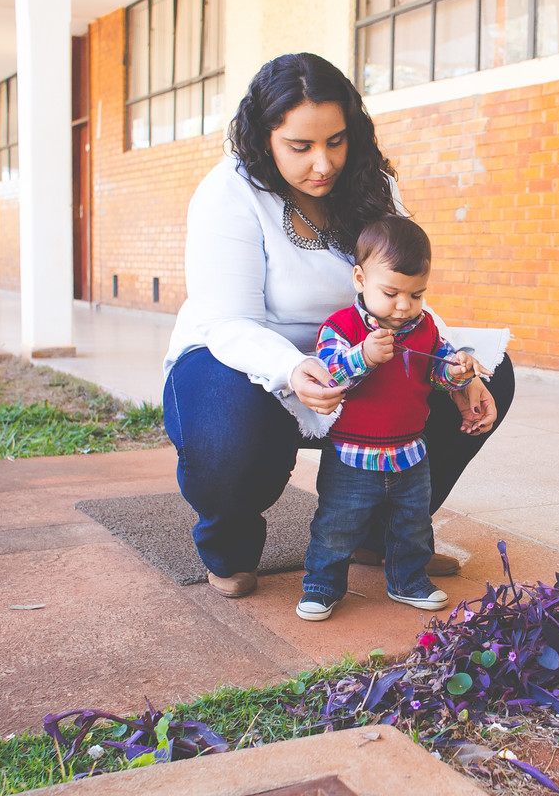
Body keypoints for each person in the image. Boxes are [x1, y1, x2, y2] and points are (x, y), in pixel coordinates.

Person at [162, 52, 515, 599]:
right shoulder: (228, 193)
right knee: (234, 430)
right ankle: (228, 545)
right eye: (299, 147)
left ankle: (384, 531)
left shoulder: (372, 186)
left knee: (486, 377)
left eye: (336, 141)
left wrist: (455, 367)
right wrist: (291, 366)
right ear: (264, 138)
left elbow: (403, 294)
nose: (322, 164)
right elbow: (229, 322)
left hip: (361, 352)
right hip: (240, 352)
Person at [297, 215, 475, 620]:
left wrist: (459, 369)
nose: (403, 305)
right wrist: (365, 355)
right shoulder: (340, 327)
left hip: (410, 453)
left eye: (416, 295)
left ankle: (408, 580)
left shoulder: (424, 327)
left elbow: (439, 368)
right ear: (360, 279)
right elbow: (331, 374)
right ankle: (322, 585)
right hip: (351, 456)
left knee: (412, 525)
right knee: (337, 525)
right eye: (391, 292)